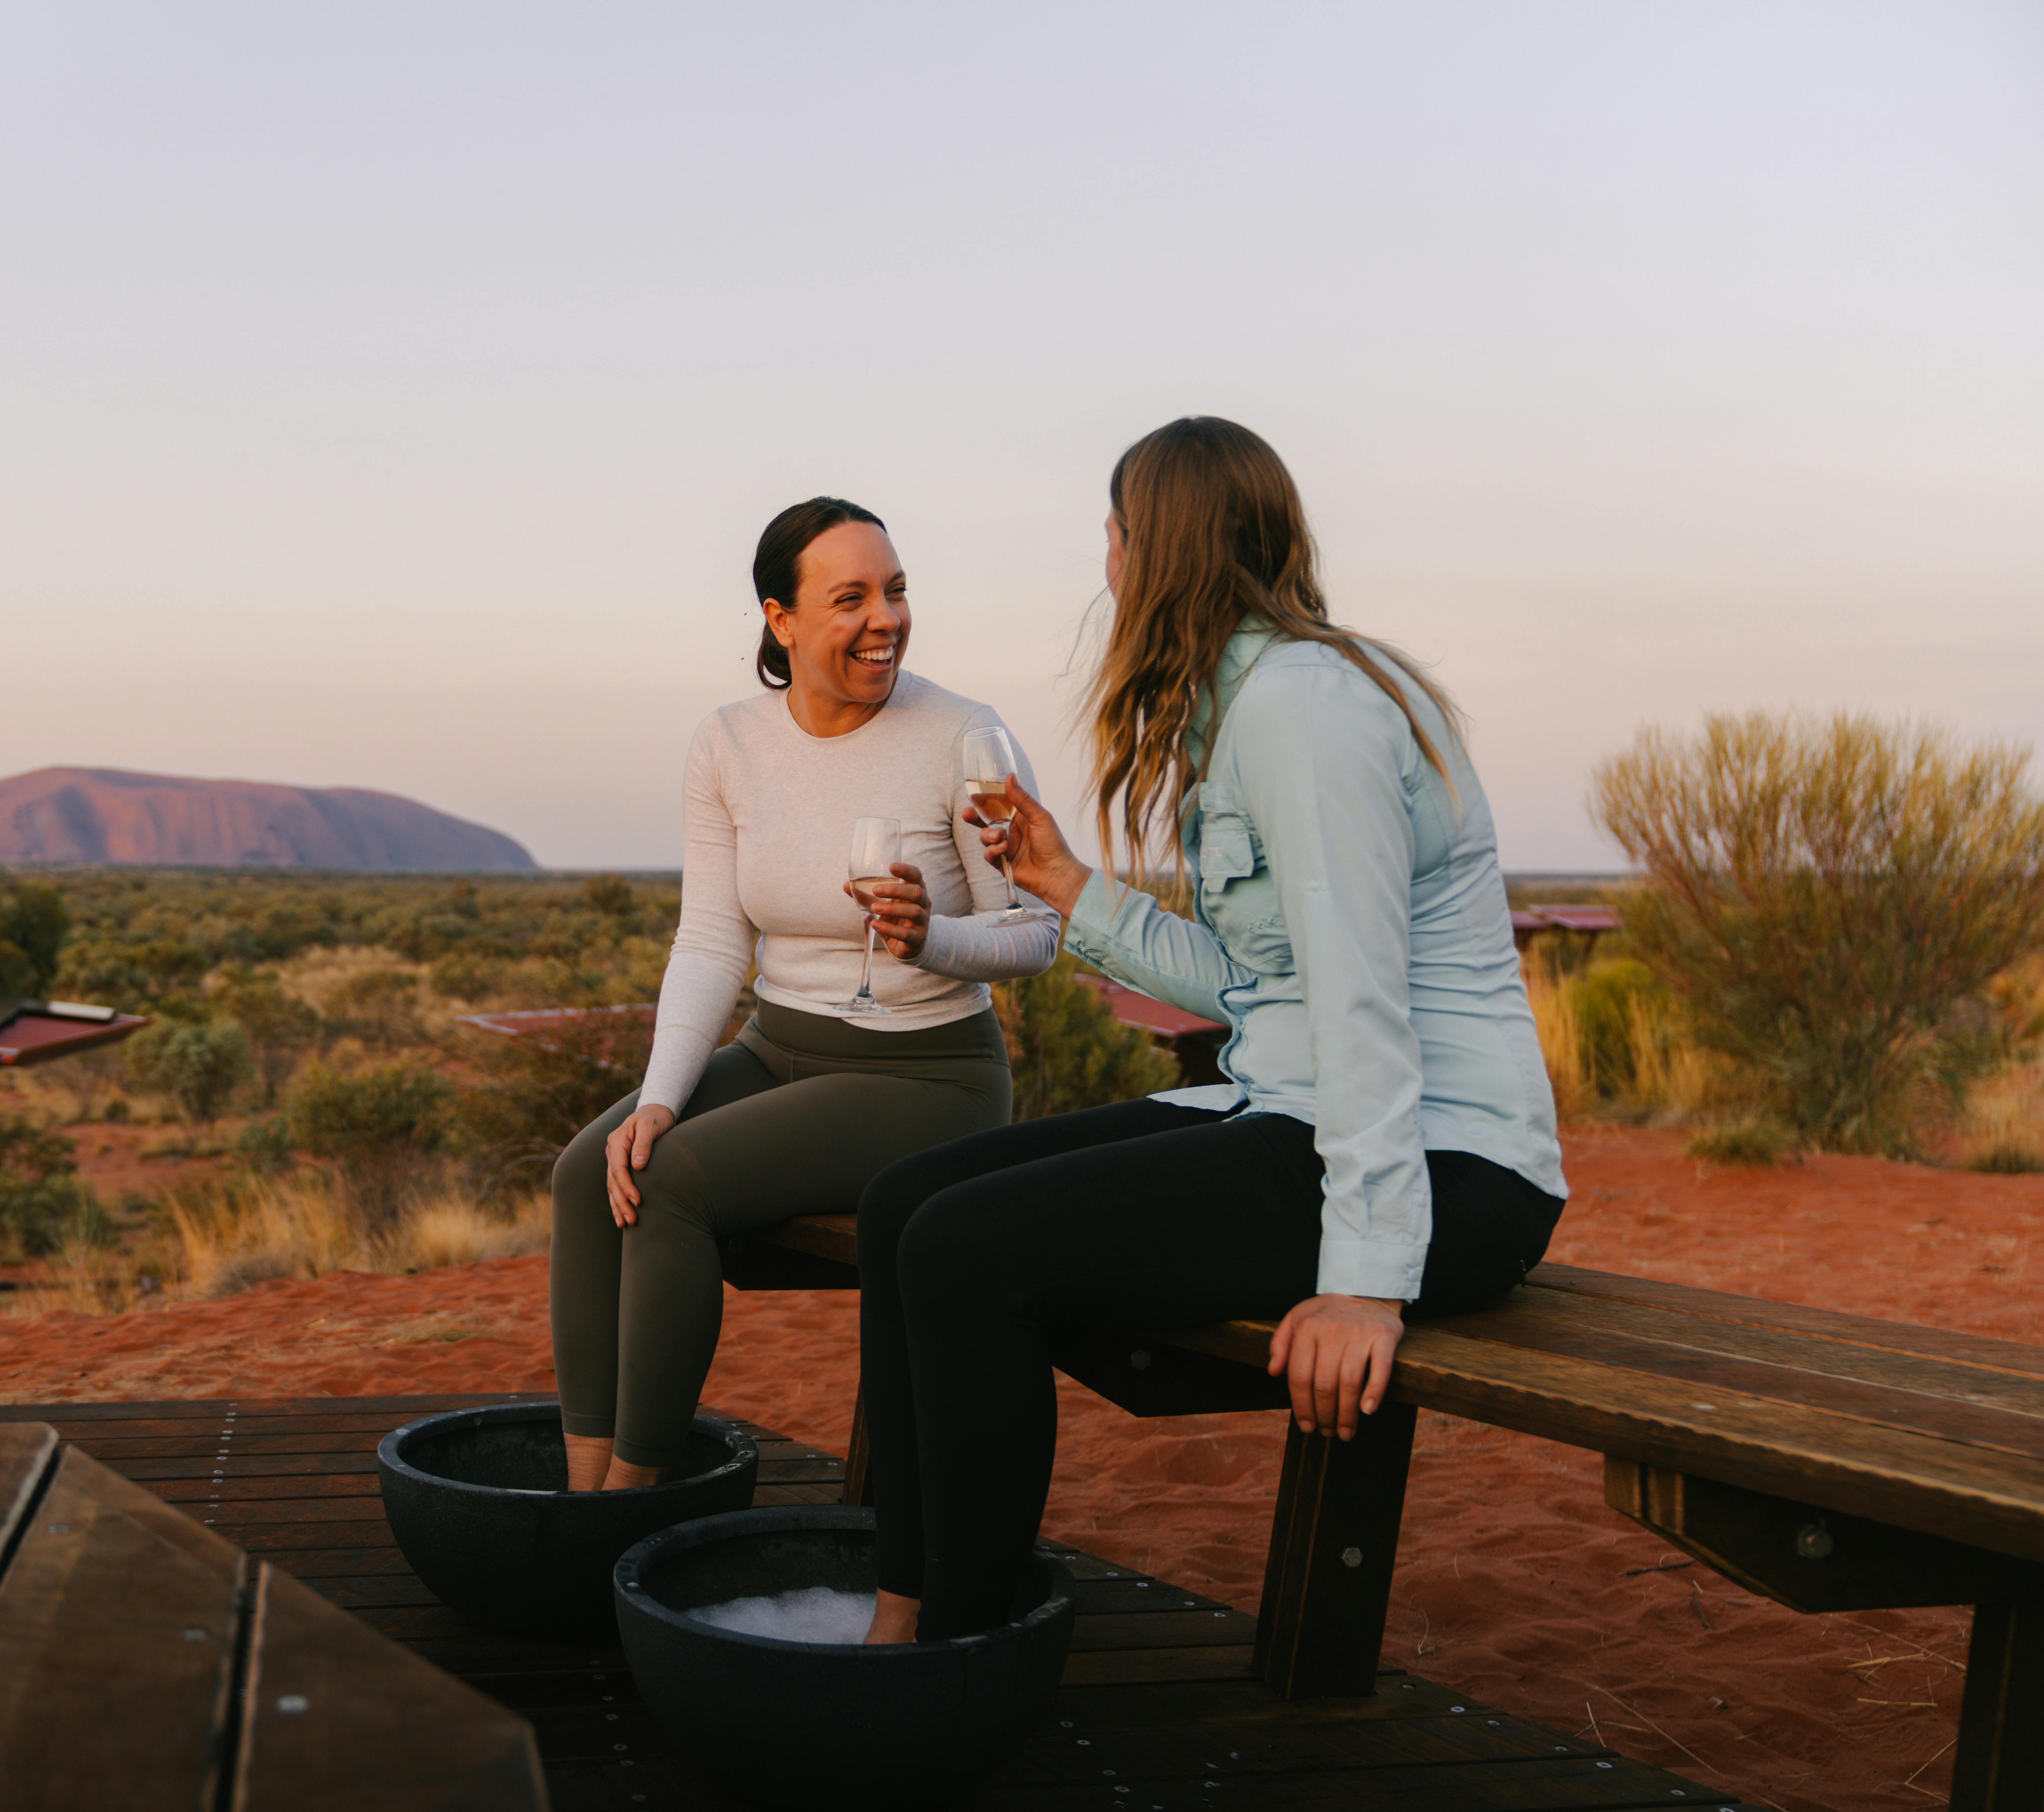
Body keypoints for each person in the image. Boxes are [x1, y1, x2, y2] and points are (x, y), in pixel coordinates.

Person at [855, 419, 1567, 1642]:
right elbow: (1260, 985)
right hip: (1298, 1113)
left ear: (1160, 550)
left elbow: (1359, 1005)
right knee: (903, 1208)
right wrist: (1068, 884)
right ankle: (897, 1610)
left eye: (1118, 536)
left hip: (1449, 1167)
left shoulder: (1302, 713)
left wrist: (1365, 1285)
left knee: (966, 1254)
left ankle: (958, 1661)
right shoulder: (1247, 706)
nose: (1110, 565)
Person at [551, 497, 1061, 1493]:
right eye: (852, 598)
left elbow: (1036, 932)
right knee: (590, 1169)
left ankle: (630, 1504)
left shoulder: (967, 738)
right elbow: (710, 938)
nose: (888, 619)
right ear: (780, 621)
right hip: (779, 1047)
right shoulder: (729, 744)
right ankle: (581, 1494)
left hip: (925, 1075)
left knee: (673, 1182)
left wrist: (935, 936)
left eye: (898, 590)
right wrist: (660, 1096)